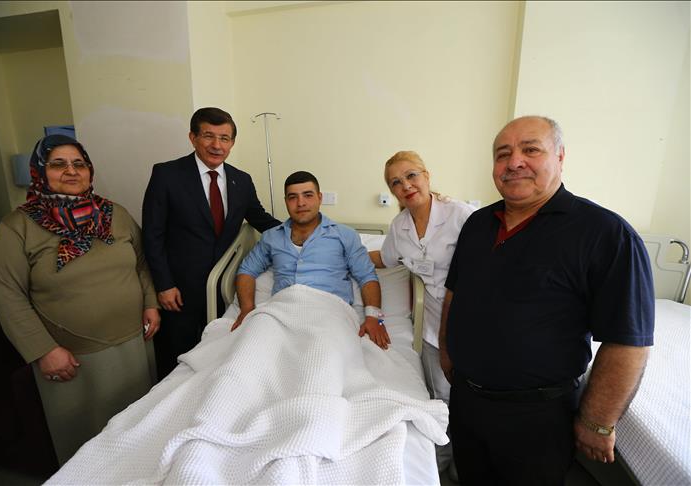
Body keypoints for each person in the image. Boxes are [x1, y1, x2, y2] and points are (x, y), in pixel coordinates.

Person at [440, 116, 654, 485]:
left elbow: (628, 340)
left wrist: (597, 422)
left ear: (560, 157)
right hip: (466, 402)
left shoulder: (605, 234)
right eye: (502, 154)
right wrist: (447, 352)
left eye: (531, 150)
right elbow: (454, 293)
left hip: (538, 416)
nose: (514, 162)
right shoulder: (477, 224)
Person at [0, 134, 160, 465]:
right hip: (72, 358)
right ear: (40, 171)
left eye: (79, 163)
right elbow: (5, 295)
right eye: (58, 164)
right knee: (88, 446)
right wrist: (43, 350)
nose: (71, 171)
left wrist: (150, 302)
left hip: (134, 345)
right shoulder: (18, 227)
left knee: (137, 430)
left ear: (89, 170)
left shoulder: (114, 214)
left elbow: (141, 262)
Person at [143, 107, 280, 380]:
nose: (217, 145)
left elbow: (260, 218)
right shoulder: (167, 175)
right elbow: (152, 234)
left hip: (222, 284)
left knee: (215, 356)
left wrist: (304, 231)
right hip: (179, 288)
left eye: (224, 138)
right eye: (208, 136)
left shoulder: (241, 180)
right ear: (193, 138)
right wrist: (164, 284)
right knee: (176, 358)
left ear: (232, 142)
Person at [368, 150, 473, 475]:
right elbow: (385, 258)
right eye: (395, 183)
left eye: (411, 176)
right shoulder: (399, 226)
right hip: (431, 325)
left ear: (426, 176)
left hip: (471, 318)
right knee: (441, 397)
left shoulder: (461, 215)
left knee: (474, 399)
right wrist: (345, 254)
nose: (405, 186)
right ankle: (442, 464)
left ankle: (469, 463)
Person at [232, 171, 390, 349]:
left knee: (326, 353)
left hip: (330, 312)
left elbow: (367, 276)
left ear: (319, 198)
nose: (301, 203)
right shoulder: (271, 237)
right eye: (293, 197)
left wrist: (374, 317)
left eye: (308, 195)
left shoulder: (344, 235)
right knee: (251, 348)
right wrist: (247, 309)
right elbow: (246, 271)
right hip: (281, 311)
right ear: (286, 201)